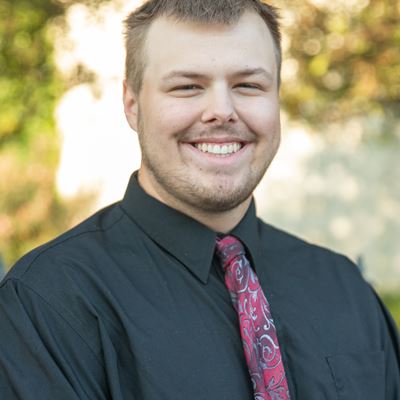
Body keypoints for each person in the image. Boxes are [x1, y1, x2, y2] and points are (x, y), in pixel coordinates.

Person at [0, 0, 399, 399]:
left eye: (248, 85)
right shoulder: (48, 304)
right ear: (132, 105)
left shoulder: (346, 290)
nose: (222, 111)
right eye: (187, 86)